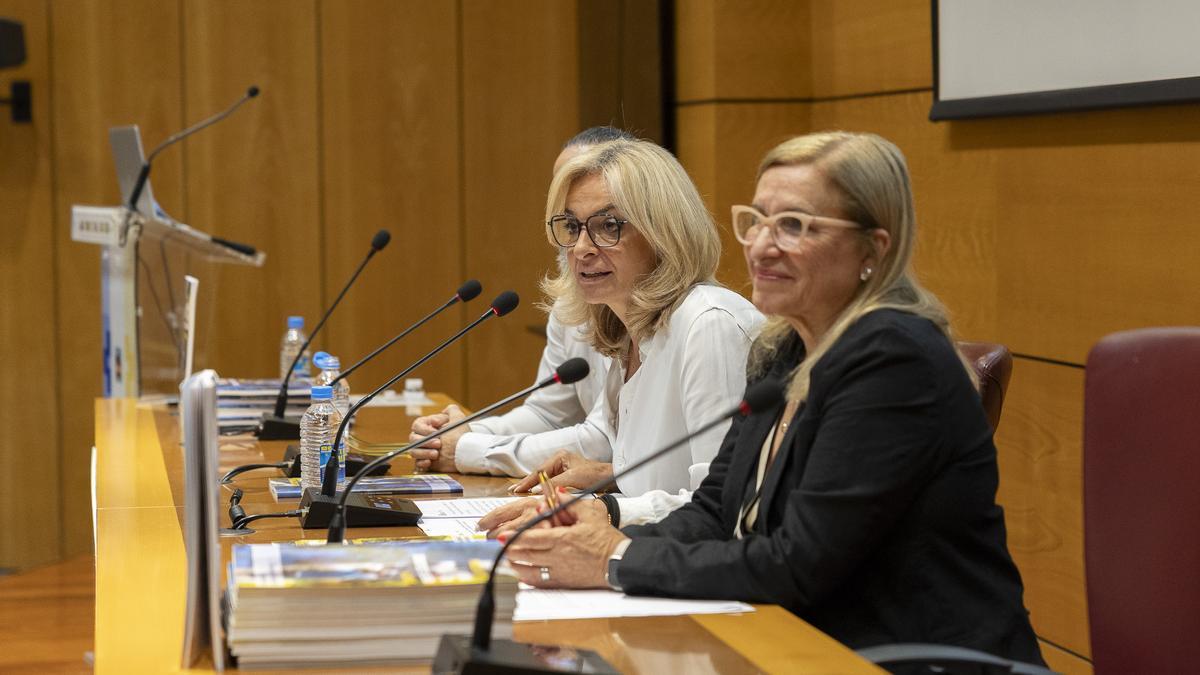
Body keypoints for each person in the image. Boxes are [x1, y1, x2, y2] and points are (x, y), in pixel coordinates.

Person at [498, 131, 1046, 663]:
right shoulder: (784, 348)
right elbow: (715, 511)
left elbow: (797, 562)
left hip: (910, 657)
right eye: (756, 221)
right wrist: (596, 530)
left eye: (793, 225)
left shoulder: (895, 361)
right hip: (806, 642)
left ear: (872, 250)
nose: (761, 244)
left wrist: (614, 557)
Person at [481, 138, 763, 528]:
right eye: (572, 226)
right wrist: (610, 478)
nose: (581, 248)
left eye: (608, 226)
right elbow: (665, 478)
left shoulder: (708, 325)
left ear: (664, 232)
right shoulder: (624, 330)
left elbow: (728, 508)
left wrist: (607, 509)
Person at [409, 127, 635, 477]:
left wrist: (468, 449)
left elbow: (604, 439)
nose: (579, 237)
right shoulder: (571, 305)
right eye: (567, 212)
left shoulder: (674, 318)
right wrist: (462, 434)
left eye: (602, 219)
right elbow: (547, 414)